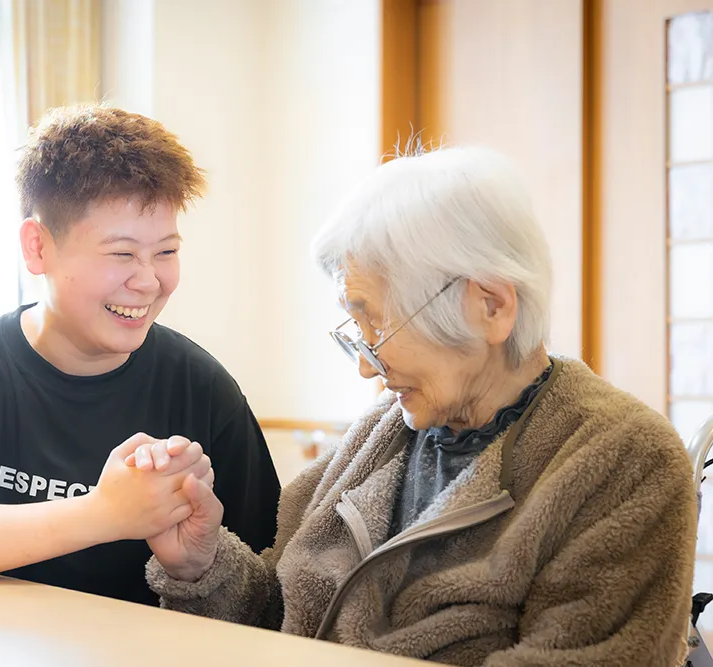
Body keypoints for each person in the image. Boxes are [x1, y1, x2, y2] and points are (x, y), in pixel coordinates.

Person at [136, 146, 697, 665]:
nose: (366, 366)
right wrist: (201, 563)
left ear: (492, 306)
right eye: (355, 330)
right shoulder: (378, 435)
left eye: (378, 324)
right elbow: (282, 618)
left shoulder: (624, 459)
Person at [0, 104, 281, 606]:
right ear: (37, 248)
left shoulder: (202, 388)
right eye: (122, 253)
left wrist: (195, 565)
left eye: (166, 252)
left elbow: (272, 587)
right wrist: (105, 513)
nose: (148, 281)